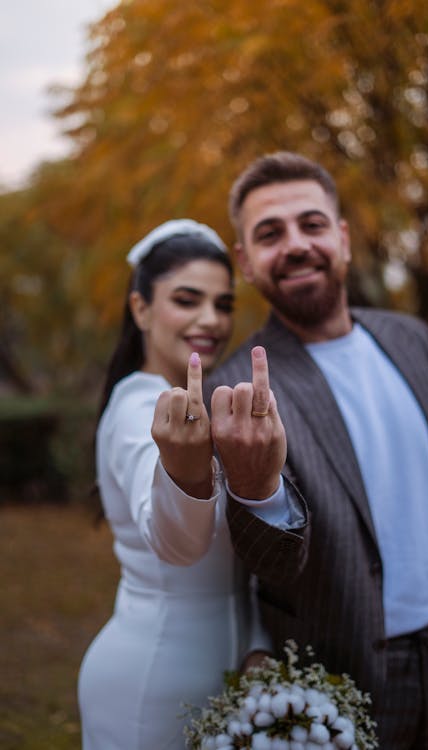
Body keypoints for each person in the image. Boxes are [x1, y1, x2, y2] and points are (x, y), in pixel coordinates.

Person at [204, 152, 428, 750]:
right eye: (269, 234)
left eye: (312, 223)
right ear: (246, 262)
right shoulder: (234, 392)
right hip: (343, 680)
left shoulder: (412, 340)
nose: (297, 244)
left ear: (343, 237)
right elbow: (273, 565)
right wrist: (257, 491)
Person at [78, 219, 275, 750]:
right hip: (152, 687)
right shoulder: (139, 407)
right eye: (187, 300)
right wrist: (185, 475)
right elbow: (179, 545)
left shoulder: (206, 403)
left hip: (229, 678)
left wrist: (258, 641)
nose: (211, 319)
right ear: (140, 308)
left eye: (224, 304)